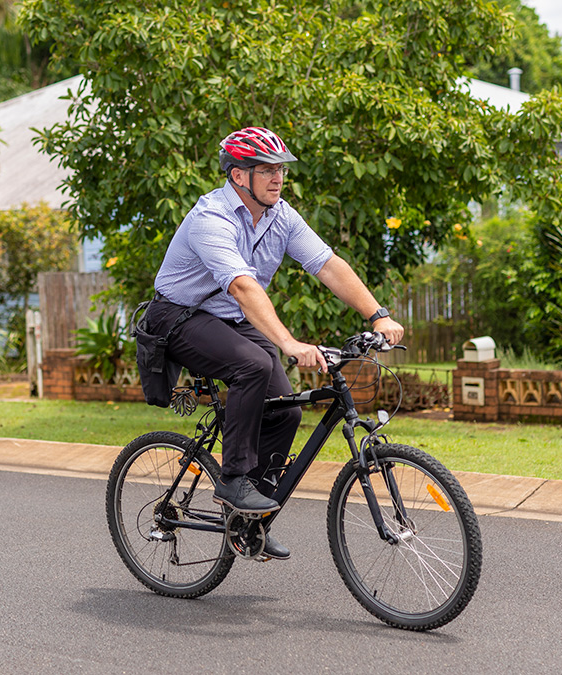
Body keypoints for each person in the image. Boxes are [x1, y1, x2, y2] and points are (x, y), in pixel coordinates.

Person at [146, 126, 404, 560]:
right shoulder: (211, 218)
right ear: (237, 176)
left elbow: (327, 265)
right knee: (251, 364)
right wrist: (287, 342)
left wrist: (377, 313)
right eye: (265, 170)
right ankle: (233, 480)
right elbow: (244, 287)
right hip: (178, 317)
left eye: (280, 169)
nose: (277, 178)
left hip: (229, 320)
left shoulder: (281, 215)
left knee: (286, 409)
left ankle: (251, 523)